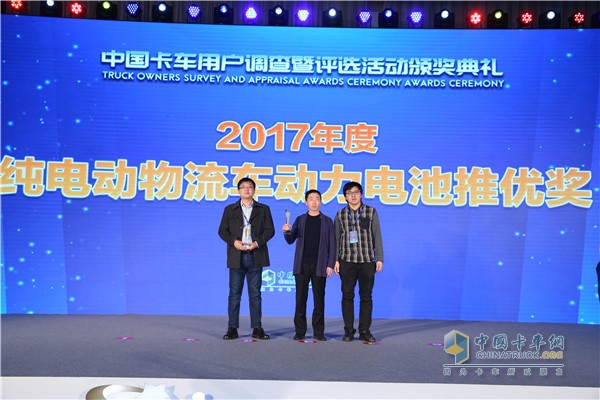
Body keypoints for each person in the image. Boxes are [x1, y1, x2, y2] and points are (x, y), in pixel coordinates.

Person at [218, 177, 275, 340]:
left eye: (250, 187)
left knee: (255, 294)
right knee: (234, 293)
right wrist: (234, 242)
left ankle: (257, 328)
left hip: (256, 255)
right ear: (238, 191)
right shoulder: (230, 209)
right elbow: (222, 231)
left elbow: (270, 230)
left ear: (254, 190)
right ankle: (232, 328)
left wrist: (257, 243)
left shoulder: (263, 209)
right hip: (236, 256)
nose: (246, 189)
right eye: (243, 187)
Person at [283, 189, 335, 341]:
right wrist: (287, 232)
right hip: (302, 265)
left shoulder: (327, 221)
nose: (314, 202)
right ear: (306, 202)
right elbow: (290, 240)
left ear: (321, 202)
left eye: (317, 199)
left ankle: (319, 332)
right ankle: (300, 332)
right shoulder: (300, 219)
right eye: (311, 199)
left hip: (320, 265)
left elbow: (332, 244)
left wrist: (330, 264)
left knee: (319, 300)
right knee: (300, 300)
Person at [334, 181, 383, 343]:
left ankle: (364, 330)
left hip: (367, 260)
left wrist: (379, 258)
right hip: (347, 261)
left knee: (366, 297)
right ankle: (348, 330)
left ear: (361, 194)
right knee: (347, 296)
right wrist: (335, 260)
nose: (353, 195)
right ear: (345, 197)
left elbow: (377, 235)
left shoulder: (371, 211)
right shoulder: (340, 214)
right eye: (349, 193)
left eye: (356, 192)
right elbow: (336, 239)